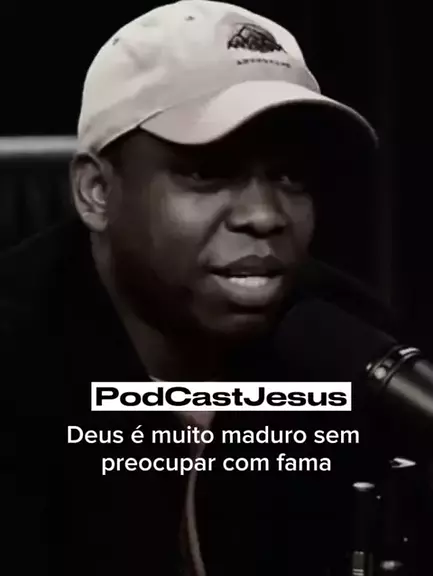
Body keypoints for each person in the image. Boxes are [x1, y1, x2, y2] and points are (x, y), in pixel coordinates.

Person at [2, 1, 430, 575]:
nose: (264, 215)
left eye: (290, 176)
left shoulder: (354, 347)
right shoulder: (18, 357)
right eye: (207, 171)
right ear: (97, 193)